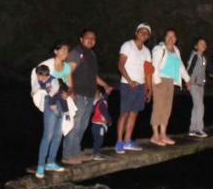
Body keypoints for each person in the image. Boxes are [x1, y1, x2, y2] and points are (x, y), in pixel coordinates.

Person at [61, 29, 114, 165]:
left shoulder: (91, 54)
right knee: (75, 124)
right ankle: (68, 155)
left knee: (83, 125)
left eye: (93, 38)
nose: (90, 40)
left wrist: (105, 85)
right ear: (81, 39)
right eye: (87, 37)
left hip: (89, 95)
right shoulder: (77, 53)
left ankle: (76, 151)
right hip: (78, 94)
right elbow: (68, 71)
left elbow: (93, 76)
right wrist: (71, 90)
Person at [30, 43, 74, 178]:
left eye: (67, 50)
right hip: (50, 102)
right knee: (48, 135)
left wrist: (68, 93)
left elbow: (70, 85)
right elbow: (36, 76)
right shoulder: (48, 65)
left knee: (58, 134)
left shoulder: (67, 67)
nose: (66, 52)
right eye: (63, 49)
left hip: (63, 102)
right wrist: (37, 91)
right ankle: (40, 166)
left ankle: (51, 161)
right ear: (56, 51)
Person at [149, 28, 191, 146]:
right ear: (165, 38)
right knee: (158, 107)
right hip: (160, 80)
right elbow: (154, 66)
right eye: (168, 36)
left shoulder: (176, 51)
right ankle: (155, 135)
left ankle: (163, 134)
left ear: (176, 39)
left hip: (171, 82)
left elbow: (180, 67)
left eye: (173, 36)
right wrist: (157, 81)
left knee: (167, 109)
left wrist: (188, 80)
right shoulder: (159, 49)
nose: (171, 38)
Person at [115, 23, 152, 153]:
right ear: (136, 33)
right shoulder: (127, 45)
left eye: (146, 33)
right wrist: (130, 80)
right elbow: (120, 64)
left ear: (148, 37)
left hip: (141, 86)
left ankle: (127, 141)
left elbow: (148, 72)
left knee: (134, 114)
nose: (144, 34)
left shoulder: (147, 51)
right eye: (141, 31)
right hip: (127, 84)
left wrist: (149, 90)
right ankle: (119, 142)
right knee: (124, 113)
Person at [185, 37, 209, 137]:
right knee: (200, 106)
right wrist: (188, 82)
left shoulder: (203, 58)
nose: (203, 45)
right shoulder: (194, 56)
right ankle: (199, 129)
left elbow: (203, 71)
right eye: (201, 43)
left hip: (200, 86)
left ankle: (192, 129)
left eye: (204, 43)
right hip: (193, 84)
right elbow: (189, 69)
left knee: (196, 106)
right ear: (196, 46)